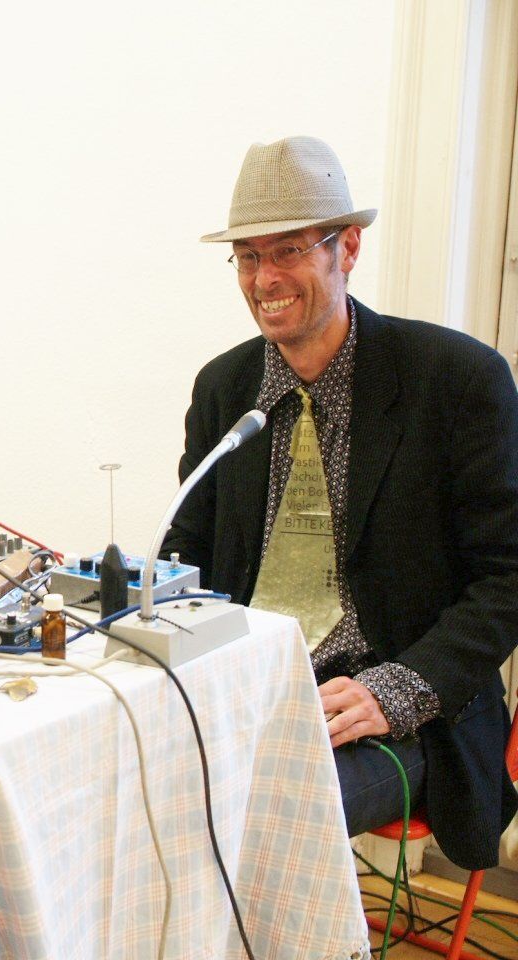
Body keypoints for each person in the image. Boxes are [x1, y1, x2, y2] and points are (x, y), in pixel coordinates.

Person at [163, 136, 518, 870]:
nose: (265, 278)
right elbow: (185, 552)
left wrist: (398, 690)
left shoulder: (456, 380)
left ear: (347, 247)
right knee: (127, 769)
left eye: (288, 250)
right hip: (251, 685)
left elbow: (508, 576)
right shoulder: (224, 389)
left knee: (256, 811)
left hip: (401, 709)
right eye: (248, 257)